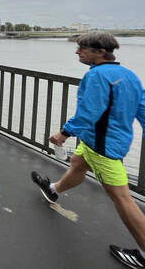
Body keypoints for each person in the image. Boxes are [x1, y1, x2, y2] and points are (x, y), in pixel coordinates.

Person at [30, 32, 145, 268]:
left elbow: (88, 113)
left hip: (102, 146)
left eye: (82, 48)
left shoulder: (96, 76)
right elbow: (142, 107)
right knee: (78, 164)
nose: (77, 51)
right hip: (111, 141)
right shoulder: (128, 74)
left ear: (100, 52)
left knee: (122, 198)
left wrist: (63, 133)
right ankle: (52, 189)